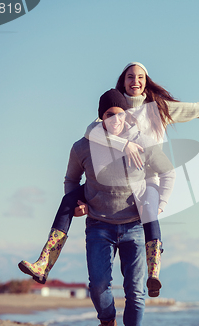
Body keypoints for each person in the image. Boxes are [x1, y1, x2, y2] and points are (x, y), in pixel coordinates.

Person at [18, 62, 199, 298]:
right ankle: (43, 263)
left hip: (143, 181)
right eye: (130, 76)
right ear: (123, 80)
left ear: (146, 81)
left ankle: (154, 273)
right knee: (68, 200)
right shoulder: (113, 108)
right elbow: (92, 133)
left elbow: (197, 109)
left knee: (150, 212)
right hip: (108, 183)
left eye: (140, 76)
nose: (135, 81)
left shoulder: (159, 109)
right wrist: (124, 144)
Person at [69, 89, 175, 326]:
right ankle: (107, 321)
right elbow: (71, 180)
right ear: (101, 117)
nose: (115, 120)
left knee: (136, 293)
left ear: (126, 116)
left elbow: (168, 172)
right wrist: (77, 204)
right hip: (98, 226)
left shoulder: (143, 143)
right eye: (109, 114)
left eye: (119, 114)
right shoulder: (83, 147)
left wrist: (161, 204)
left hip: (134, 226)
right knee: (98, 286)